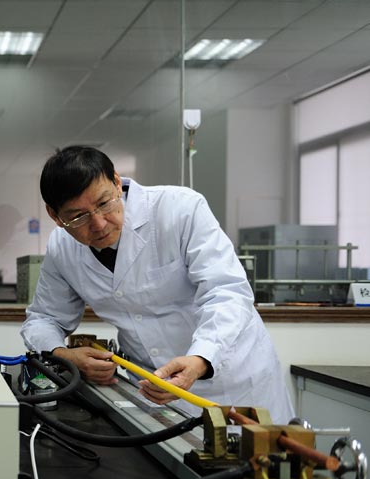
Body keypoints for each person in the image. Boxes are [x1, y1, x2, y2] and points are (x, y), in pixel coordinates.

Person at [21, 146, 294, 423]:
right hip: (152, 391)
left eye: (104, 203)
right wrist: (63, 354)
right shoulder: (62, 247)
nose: (99, 224)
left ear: (117, 182)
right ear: (56, 217)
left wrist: (200, 359)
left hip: (235, 381)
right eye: (78, 217)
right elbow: (43, 319)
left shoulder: (180, 209)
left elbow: (227, 292)